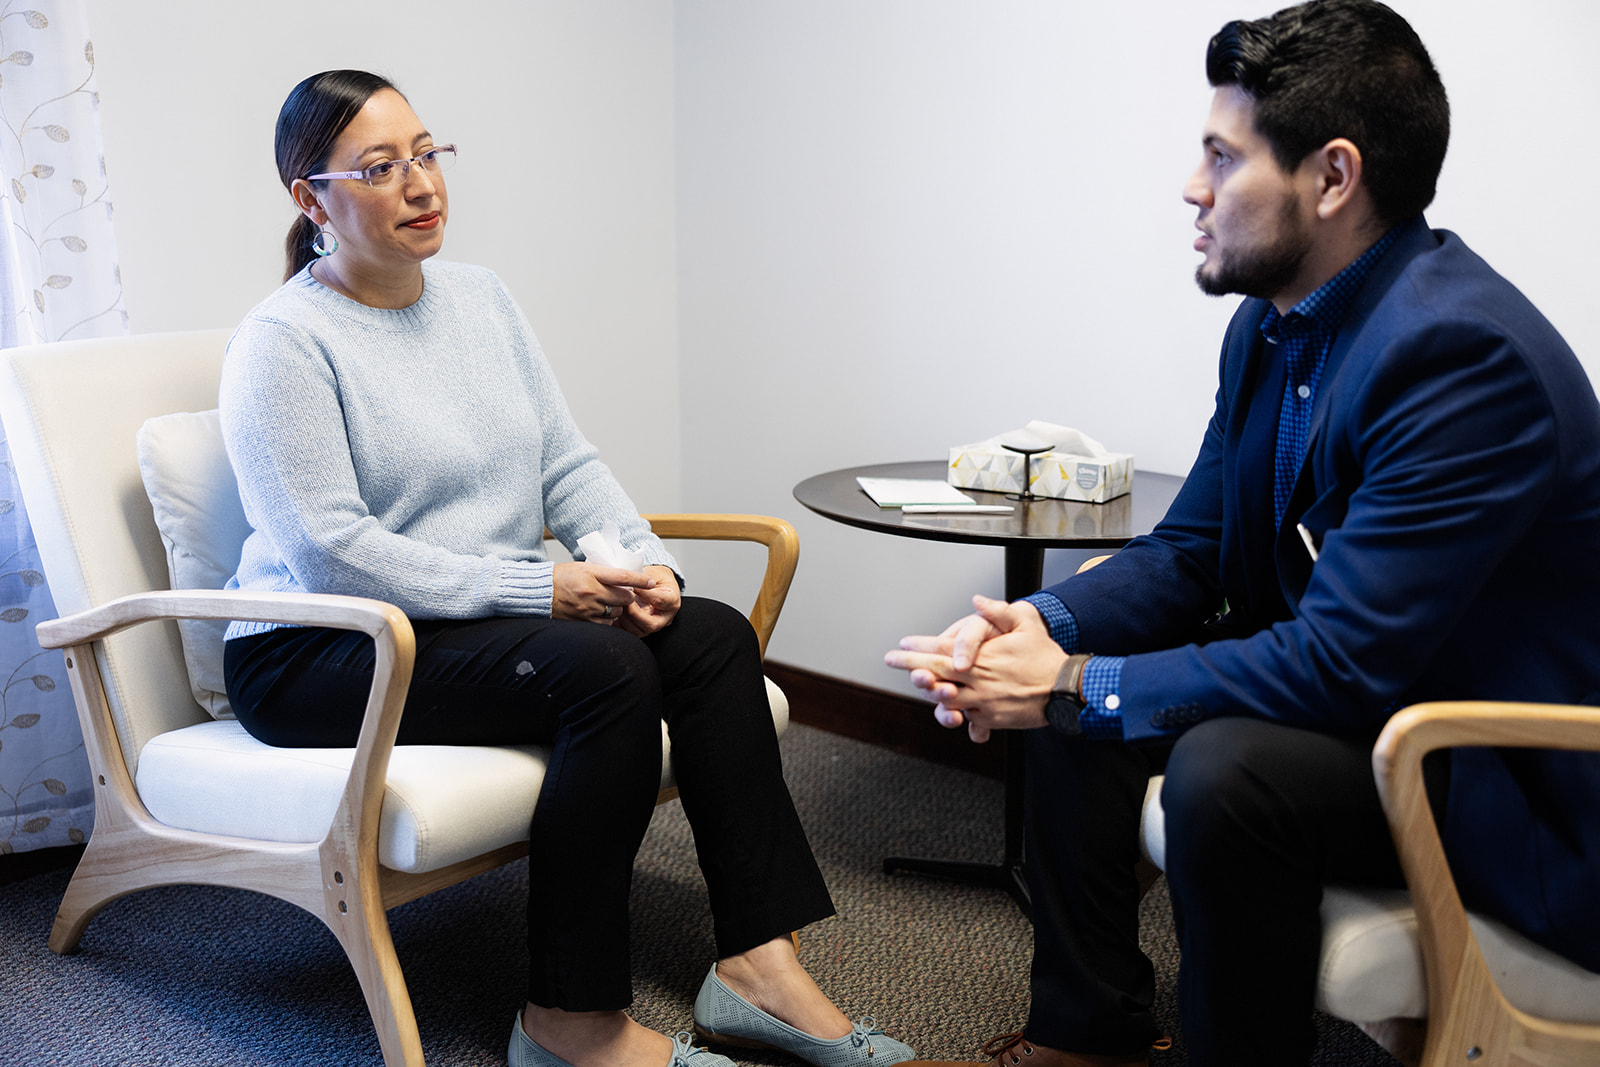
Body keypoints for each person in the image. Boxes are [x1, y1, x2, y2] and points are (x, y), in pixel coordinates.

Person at [884, 2, 1600, 1065]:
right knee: (1081, 692)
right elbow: (1190, 552)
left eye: (1221, 155)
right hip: (1376, 711)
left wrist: (1076, 682)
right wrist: (1034, 626)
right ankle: (1086, 1035)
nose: (1191, 185)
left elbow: (1339, 660)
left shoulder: (1460, 357)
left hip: (1492, 775)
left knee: (1209, 757)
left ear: (1331, 177)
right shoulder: (1273, 324)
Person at [220, 70, 916, 1067]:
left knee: (709, 633)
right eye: (381, 168)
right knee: (603, 670)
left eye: (428, 153)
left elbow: (563, 462)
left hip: (453, 622)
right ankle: (568, 1020)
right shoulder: (281, 344)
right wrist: (539, 587)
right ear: (310, 198)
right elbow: (332, 549)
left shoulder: (479, 299)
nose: (422, 185)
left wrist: (639, 563)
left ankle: (757, 964)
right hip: (321, 648)